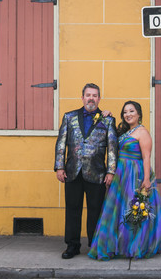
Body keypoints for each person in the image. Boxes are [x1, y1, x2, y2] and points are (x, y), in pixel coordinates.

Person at [88, 100, 161, 260]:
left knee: (134, 209)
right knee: (118, 209)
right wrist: (107, 114)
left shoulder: (143, 132)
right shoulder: (124, 132)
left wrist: (146, 179)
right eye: (125, 112)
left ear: (139, 114)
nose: (128, 114)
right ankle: (118, 244)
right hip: (120, 174)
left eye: (131, 111)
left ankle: (135, 245)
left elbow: (146, 157)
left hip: (135, 174)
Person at [54, 83, 117, 259]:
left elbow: (112, 148)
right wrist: (59, 166)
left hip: (97, 173)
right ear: (82, 98)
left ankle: (94, 245)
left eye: (95, 95)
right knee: (72, 210)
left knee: (95, 210)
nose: (91, 98)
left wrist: (111, 171)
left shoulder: (108, 120)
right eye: (88, 95)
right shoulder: (69, 117)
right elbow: (61, 143)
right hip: (72, 171)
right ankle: (72, 246)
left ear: (99, 98)